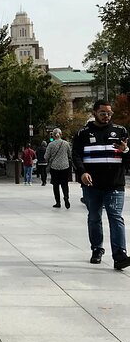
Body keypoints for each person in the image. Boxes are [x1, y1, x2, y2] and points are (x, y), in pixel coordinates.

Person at [72, 99, 130, 269]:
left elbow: (128, 159)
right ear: (94, 113)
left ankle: (120, 255)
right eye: (103, 113)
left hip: (115, 184)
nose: (106, 116)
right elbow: (76, 155)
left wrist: (125, 150)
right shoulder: (83, 133)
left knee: (116, 217)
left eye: (109, 113)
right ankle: (97, 249)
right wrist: (82, 172)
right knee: (94, 217)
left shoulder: (120, 131)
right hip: (92, 185)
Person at [45, 128, 73, 209]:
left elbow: (46, 156)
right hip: (65, 166)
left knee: (55, 185)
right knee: (65, 184)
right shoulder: (66, 143)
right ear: (61, 134)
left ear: (53, 135)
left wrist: (50, 158)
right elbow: (70, 154)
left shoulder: (51, 144)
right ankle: (66, 197)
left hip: (54, 167)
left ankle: (58, 202)